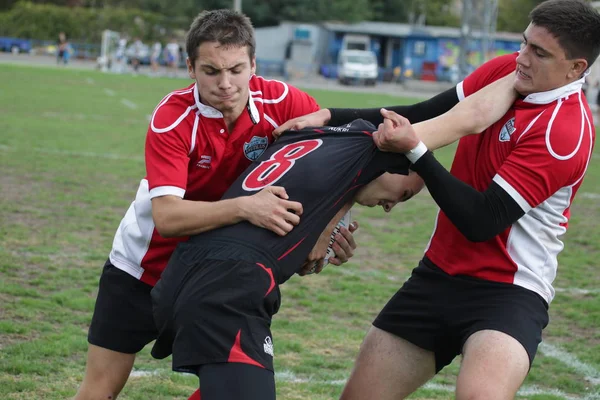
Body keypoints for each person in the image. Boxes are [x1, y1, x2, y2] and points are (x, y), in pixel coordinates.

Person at [150, 71, 517, 400]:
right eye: (403, 194)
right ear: (391, 162)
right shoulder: (371, 146)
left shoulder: (313, 135)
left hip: (186, 274)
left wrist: (328, 225)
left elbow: (318, 202)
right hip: (228, 290)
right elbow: (470, 116)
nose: (391, 206)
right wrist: (520, 73)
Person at [73, 9, 359, 400]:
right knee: (99, 391)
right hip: (142, 269)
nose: (226, 83)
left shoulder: (284, 102)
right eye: (211, 71)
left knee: (238, 391)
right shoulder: (172, 119)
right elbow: (168, 217)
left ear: (254, 64)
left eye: (237, 69)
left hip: (219, 276)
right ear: (190, 67)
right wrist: (246, 207)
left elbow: (345, 160)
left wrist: (329, 231)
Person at [335, 1, 599, 399]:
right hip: (437, 276)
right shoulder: (504, 71)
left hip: (508, 293)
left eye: (539, 53)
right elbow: (422, 112)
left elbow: (482, 219)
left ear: (576, 68)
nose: (522, 59)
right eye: (524, 43)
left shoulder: (563, 133)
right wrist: (327, 116)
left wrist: (418, 153)